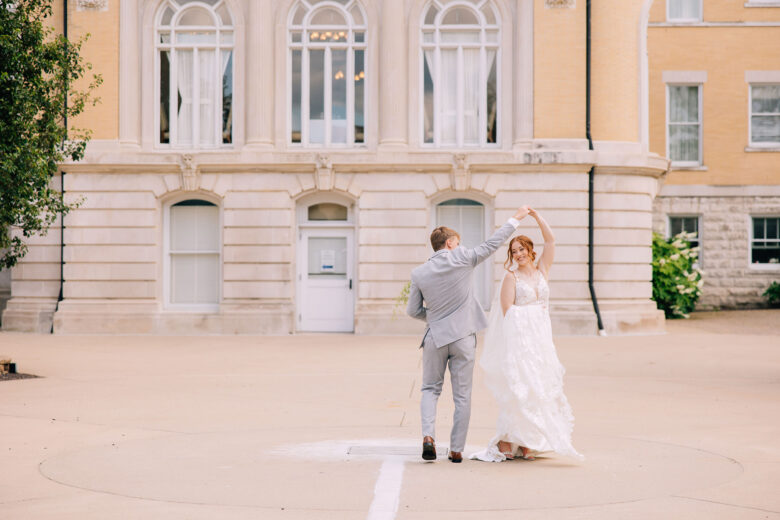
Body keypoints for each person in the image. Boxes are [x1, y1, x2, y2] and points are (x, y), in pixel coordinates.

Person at [407, 206, 530, 463]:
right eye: (459, 242)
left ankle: (428, 437)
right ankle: (456, 450)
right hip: (463, 338)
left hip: (435, 338)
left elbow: (413, 310)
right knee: (462, 396)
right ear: (451, 243)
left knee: (430, 389)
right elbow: (494, 243)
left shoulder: (419, 273)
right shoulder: (464, 258)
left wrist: (437, 319)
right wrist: (515, 219)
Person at [470, 207, 583, 462]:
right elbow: (508, 310)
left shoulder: (543, 269)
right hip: (520, 341)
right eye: (514, 252)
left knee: (540, 386)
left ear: (530, 250)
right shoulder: (511, 277)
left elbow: (551, 241)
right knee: (520, 387)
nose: (518, 255)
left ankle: (530, 440)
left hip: (541, 340)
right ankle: (508, 440)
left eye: (522, 249)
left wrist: (536, 217)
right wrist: (529, 316)